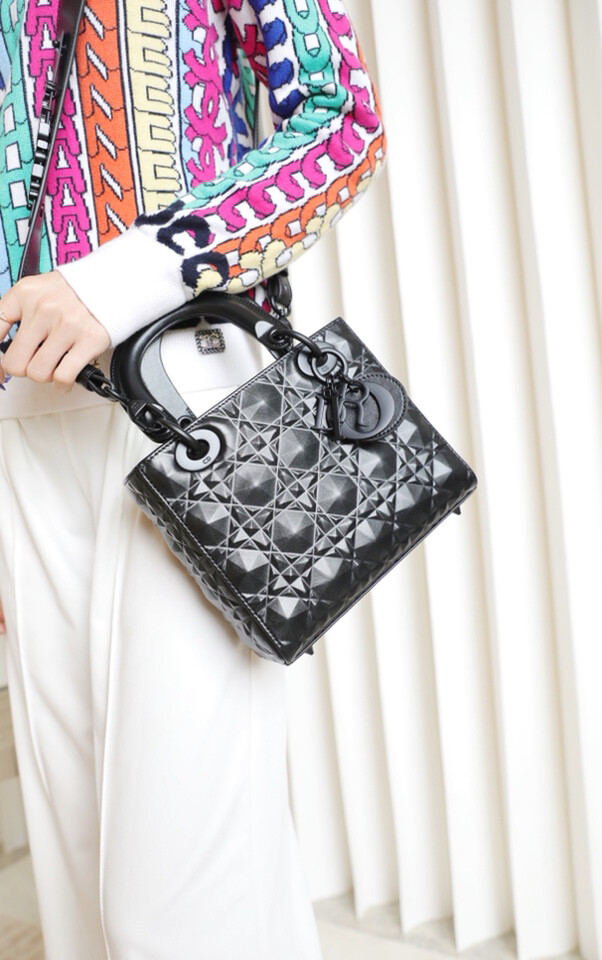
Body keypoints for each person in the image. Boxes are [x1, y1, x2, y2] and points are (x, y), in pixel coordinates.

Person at [0, 1, 386, 957]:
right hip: (20, 417)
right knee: (81, 888)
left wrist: (119, 278)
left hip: (186, 391)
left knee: (177, 894)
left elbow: (342, 120)